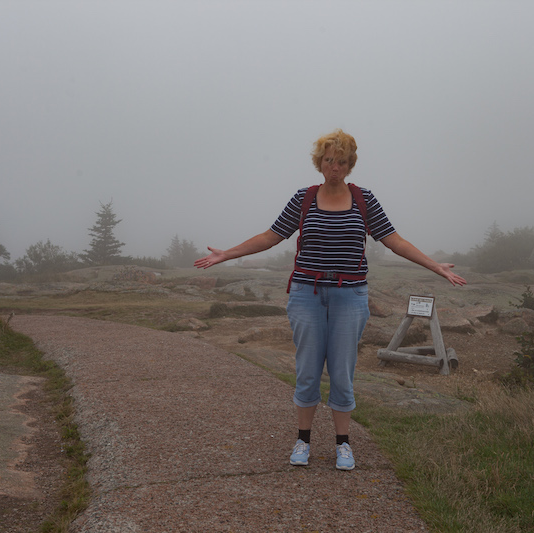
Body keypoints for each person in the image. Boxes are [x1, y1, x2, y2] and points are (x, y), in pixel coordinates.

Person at [194, 129, 466, 470]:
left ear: (349, 164)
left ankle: (343, 445)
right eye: (328, 160)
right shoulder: (303, 199)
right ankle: (303, 441)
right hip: (306, 294)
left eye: (340, 161)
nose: (333, 166)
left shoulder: (364, 200)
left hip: (350, 296)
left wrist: (434, 265)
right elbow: (271, 235)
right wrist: (228, 254)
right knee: (307, 369)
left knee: (342, 370)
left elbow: (393, 240)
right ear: (319, 163)